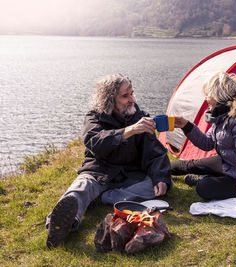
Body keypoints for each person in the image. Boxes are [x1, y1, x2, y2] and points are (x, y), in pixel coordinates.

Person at [46, 74, 172, 248]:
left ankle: (101, 198)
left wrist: (161, 178)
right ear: (109, 99)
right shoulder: (94, 117)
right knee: (81, 188)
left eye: (132, 93)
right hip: (99, 172)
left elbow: (154, 152)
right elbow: (95, 142)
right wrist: (129, 131)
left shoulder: (138, 116)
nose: (132, 99)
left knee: (152, 186)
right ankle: (61, 223)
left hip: (129, 176)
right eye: (125, 95)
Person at [172, 71, 236, 220]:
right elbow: (207, 143)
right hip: (231, 164)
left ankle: (204, 179)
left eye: (207, 94)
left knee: (204, 188)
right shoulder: (224, 113)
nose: (205, 98)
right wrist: (186, 126)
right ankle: (154, 170)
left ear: (218, 95)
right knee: (189, 165)